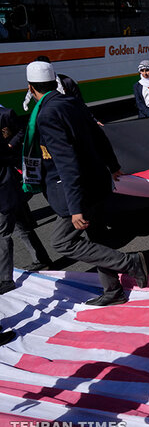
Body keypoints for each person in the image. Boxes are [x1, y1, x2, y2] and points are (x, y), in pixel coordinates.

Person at [23, 61, 148, 306]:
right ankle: (113, 290)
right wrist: (112, 166)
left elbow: (67, 163)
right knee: (97, 237)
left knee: (62, 241)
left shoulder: (47, 113)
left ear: (30, 87)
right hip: (96, 181)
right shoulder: (70, 101)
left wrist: (75, 207)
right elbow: (99, 135)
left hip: (79, 191)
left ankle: (128, 262)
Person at [1, 105, 52, 297]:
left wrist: (10, 145)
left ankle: (5, 278)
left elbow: (21, 131)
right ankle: (41, 259)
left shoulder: (6, 113)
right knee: (21, 225)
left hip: (9, 177)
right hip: (9, 180)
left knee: (5, 233)